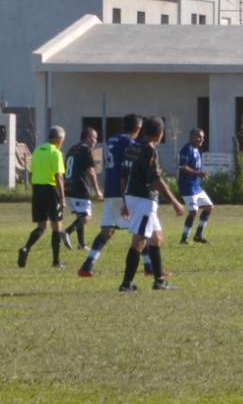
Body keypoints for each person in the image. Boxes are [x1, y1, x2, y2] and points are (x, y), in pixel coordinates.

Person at [118, 117, 185, 292]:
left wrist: (125, 200)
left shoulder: (132, 147)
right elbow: (155, 179)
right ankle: (126, 284)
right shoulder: (149, 150)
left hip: (134, 197)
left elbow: (123, 175)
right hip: (144, 200)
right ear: (160, 133)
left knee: (156, 238)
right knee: (139, 240)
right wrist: (175, 202)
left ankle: (159, 280)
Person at [80, 114, 143, 278]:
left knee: (106, 231)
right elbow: (128, 168)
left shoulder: (112, 140)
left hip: (110, 189)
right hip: (122, 191)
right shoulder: (130, 143)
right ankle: (151, 267)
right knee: (142, 229)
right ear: (137, 128)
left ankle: (87, 266)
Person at [18, 126, 68, 269]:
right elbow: (58, 176)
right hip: (51, 190)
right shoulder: (56, 153)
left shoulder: (37, 151)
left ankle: (26, 248)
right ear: (59, 139)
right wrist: (63, 198)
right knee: (56, 225)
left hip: (37, 189)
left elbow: (33, 172)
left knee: (41, 225)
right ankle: (56, 262)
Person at [64, 127, 103, 251]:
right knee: (86, 216)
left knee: (80, 216)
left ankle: (81, 244)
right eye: (94, 137)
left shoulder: (72, 149)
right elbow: (91, 171)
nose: (96, 140)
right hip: (79, 187)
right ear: (88, 138)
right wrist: (97, 190)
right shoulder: (86, 150)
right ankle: (66, 232)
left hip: (68, 187)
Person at [178, 128, 214, 244]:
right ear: (192, 137)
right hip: (187, 186)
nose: (201, 139)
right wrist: (198, 173)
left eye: (203, 137)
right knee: (193, 212)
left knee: (209, 207)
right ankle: (184, 238)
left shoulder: (197, 150)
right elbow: (182, 167)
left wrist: (202, 175)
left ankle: (198, 234)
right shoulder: (186, 149)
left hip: (196, 186)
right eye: (199, 136)